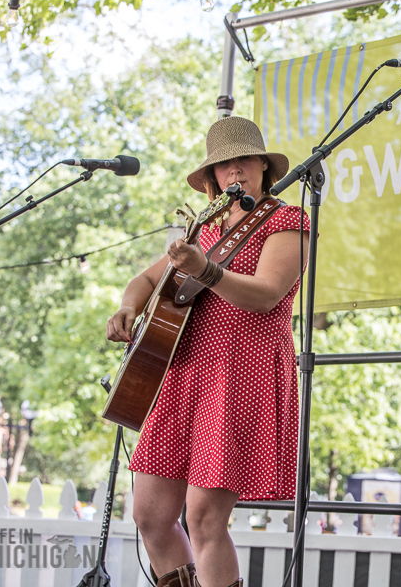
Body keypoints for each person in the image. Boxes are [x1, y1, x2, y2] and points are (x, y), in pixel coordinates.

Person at [106, 116, 309, 587]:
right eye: (223, 164)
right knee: (151, 515)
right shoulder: (206, 227)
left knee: (203, 518)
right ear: (212, 177)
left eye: (243, 160)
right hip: (184, 374)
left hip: (242, 374)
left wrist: (207, 271)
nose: (234, 171)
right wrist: (127, 308)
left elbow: (266, 294)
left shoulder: (288, 220)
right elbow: (145, 280)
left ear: (263, 165)